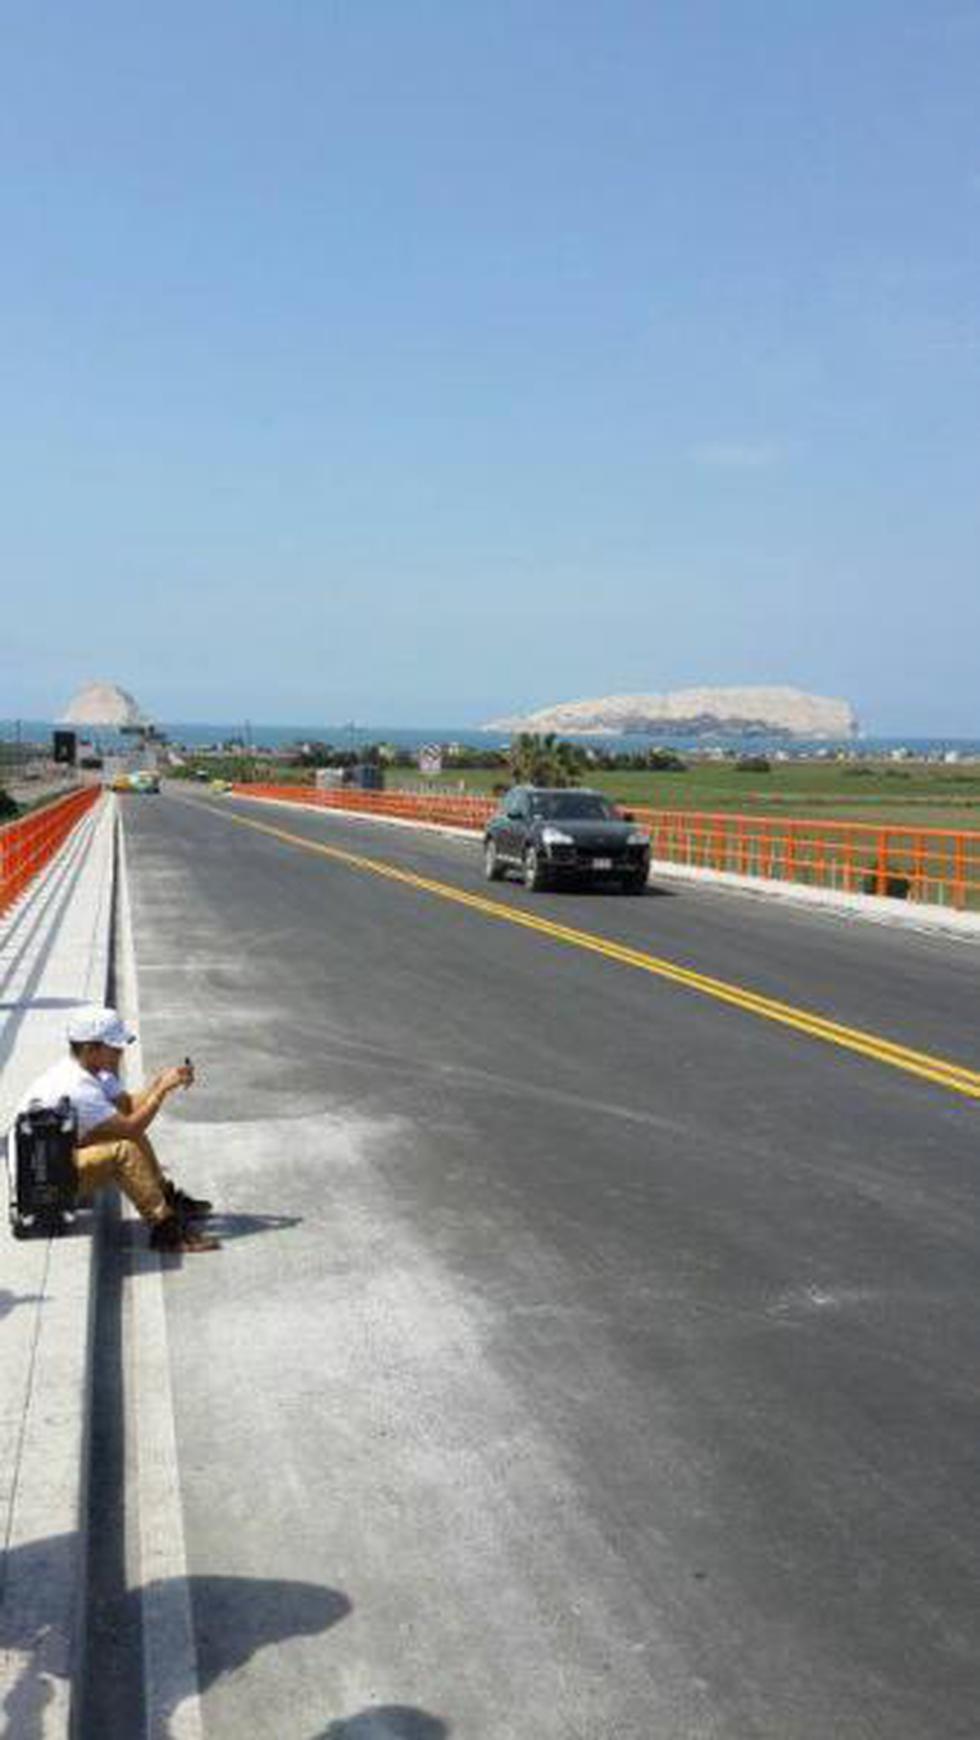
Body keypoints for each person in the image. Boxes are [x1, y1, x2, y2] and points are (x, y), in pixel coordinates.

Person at [15, 1005, 219, 1253]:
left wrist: (160, 1083)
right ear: (90, 1049)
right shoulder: (77, 1086)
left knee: (127, 1134)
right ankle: (166, 1229)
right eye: (114, 1048)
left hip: (61, 1155)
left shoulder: (95, 1072)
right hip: (44, 1178)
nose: (121, 1053)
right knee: (124, 1150)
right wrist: (161, 1092)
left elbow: (128, 1106)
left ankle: (168, 1199)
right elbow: (130, 1128)